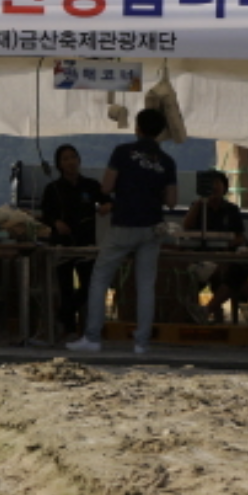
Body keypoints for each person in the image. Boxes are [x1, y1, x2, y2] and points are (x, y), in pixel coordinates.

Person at [68, 108, 177, 355]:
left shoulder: (122, 152)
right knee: (146, 285)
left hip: (124, 225)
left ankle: (93, 338)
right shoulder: (168, 162)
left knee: (100, 279)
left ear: (137, 128)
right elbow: (172, 200)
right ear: (160, 132)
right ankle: (141, 343)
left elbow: (106, 187)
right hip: (153, 228)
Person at [181, 171, 248, 323]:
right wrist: (200, 203)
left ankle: (210, 312)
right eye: (211, 184)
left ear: (225, 188)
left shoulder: (231, 210)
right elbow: (186, 226)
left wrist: (234, 241)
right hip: (201, 257)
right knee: (229, 276)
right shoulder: (198, 207)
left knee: (231, 274)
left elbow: (240, 236)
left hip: (224, 255)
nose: (214, 187)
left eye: (218, 183)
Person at [40, 144, 109, 339]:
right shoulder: (53, 188)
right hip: (62, 242)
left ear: (79, 160)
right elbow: (45, 214)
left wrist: (107, 206)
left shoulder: (91, 185)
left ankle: (63, 315)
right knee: (65, 286)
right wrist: (56, 222)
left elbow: (107, 200)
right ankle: (69, 329)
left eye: (73, 157)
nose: (70, 162)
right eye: (65, 159)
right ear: (59, 164)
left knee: (89, 284)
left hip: (86, 241)